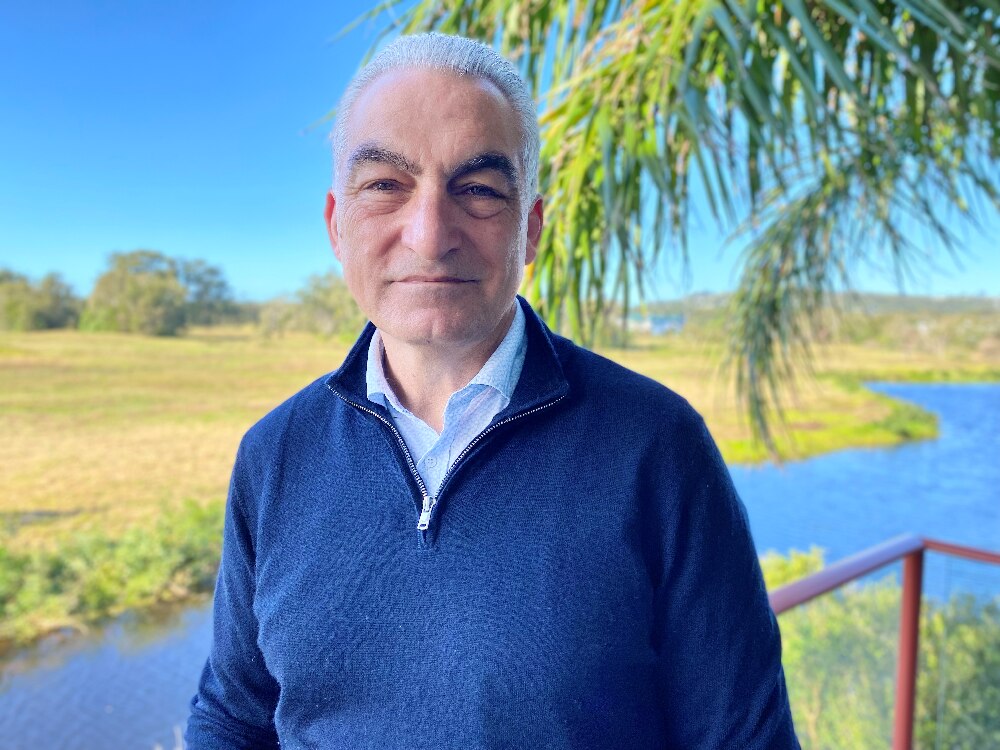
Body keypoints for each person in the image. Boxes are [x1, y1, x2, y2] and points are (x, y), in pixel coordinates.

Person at [186, 32, 799, 749]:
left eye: (477, 190)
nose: (429, 233)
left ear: (531, 227)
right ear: (336, 227)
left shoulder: (656, 446)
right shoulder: (275, 455)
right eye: (385, 185)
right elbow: (232, 713)